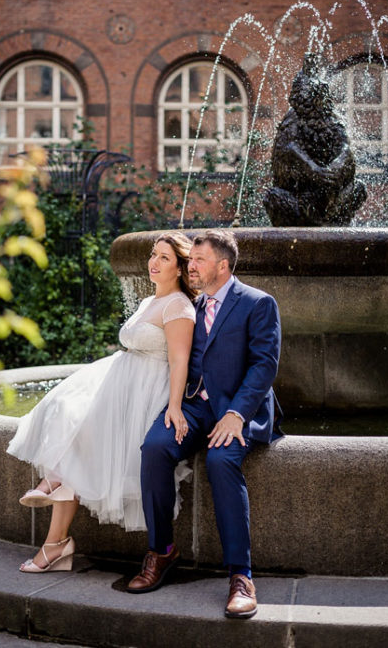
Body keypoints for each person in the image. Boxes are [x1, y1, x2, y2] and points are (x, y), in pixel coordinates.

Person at [8, 232, 197, 573]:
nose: (153, 262)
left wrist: (173, 406)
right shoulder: (148, 301)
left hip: (144, 392)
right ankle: (55, 535)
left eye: (164, 258)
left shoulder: (179, 306)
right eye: (153, 255)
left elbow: (180, 361)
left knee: (75, 443)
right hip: (118, 380)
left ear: (181, 268)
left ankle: (55, 538)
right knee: (63, 413)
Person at [126, 229, 282, 620]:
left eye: (198, 261)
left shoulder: (258, 303)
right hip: (195, 407)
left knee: (220, 461)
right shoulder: (189, 304)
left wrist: (236, 414)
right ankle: (161, 552)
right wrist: (173, 406)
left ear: (223, 265)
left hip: (236, 410)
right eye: (190, 259)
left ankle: (241, 576)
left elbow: (264, 365)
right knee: (155, 448)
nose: (190, 266)